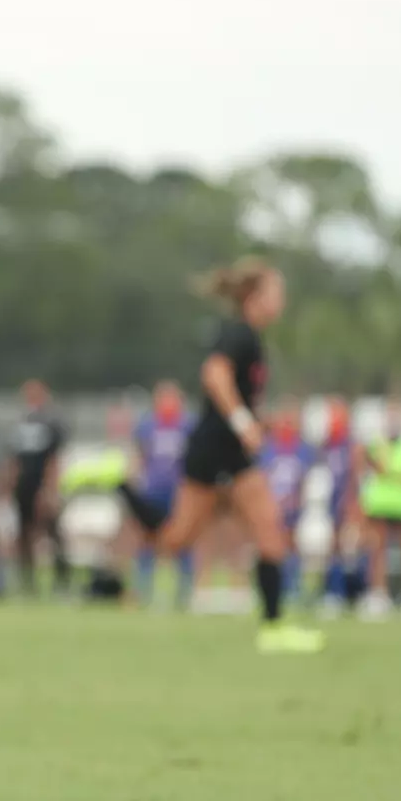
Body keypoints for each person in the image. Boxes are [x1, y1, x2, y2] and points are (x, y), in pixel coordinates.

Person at [118, 258, 324, 652]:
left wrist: (259, 422)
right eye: (275, 292)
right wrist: (244, 421)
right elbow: (214, 375)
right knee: (173, 541)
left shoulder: (254, 340)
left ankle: (275, 628)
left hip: (236, 459)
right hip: (211, 452)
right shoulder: (238, 334)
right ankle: (120, 485)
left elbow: (238, 396)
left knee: (270, 532)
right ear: (253, 297)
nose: (281, 300)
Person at [128, 381, 197, 610]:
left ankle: (184, 594)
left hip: (179, 493)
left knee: (182, 540)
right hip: (152, 492)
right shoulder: (148, 425)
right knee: (148, 540)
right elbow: (139, 456)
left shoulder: (188, 425)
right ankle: (143, 590)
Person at [0, 379, 69, 597]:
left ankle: (61, 583)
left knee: (51, 533)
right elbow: (13, 460)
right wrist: (4, 488)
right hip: (23, 487)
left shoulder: (52, 423)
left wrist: (49, 490)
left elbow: (54, 460)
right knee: (24, 535)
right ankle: (27, 582)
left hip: (42, 485)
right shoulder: (20, 424)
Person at [256, 400, 313, 606]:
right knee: (272, 547)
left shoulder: (303, 449)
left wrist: (297, 501)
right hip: (271, 505)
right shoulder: (268, 448)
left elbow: (306, 479)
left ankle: (294, 588)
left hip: (293, 507)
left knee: (292, 546)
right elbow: (261, 476)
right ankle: (274, 590)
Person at [357, 396, 401, 619]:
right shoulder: (377, 443)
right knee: (378, 551)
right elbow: (370, 465)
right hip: (379, 503)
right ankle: (379, 595)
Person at [316, 397, 363, 616]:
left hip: (345, 502)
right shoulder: (327, 444)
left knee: (348, 549)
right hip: (328, 503)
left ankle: (350, 593)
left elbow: (355, 475)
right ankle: (331, 592)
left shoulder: (351, 445)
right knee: (330, 549)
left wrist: (351, 500)